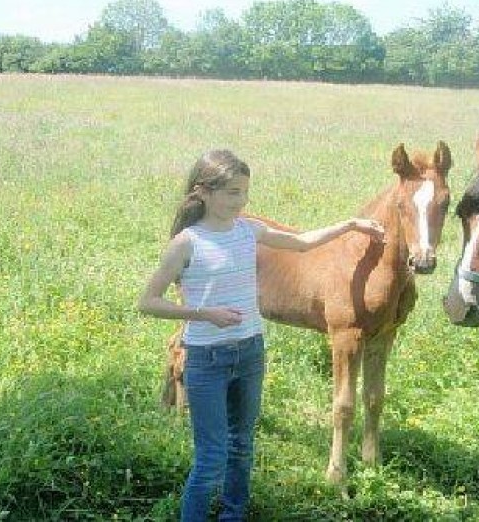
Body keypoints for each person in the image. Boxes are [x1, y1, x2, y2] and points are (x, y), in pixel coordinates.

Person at [138, 149, 384, 521]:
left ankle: (233, 515)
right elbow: (148, 302)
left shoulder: (248, 230)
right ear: (203, 192)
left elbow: (302, 243)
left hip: (251, 354)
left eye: (245, 192)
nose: (242, 201)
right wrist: (203, 313)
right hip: (207, 359)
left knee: (241, 448)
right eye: (233, 193)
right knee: (210, 459)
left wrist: (350, 224)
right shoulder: (186, 243)